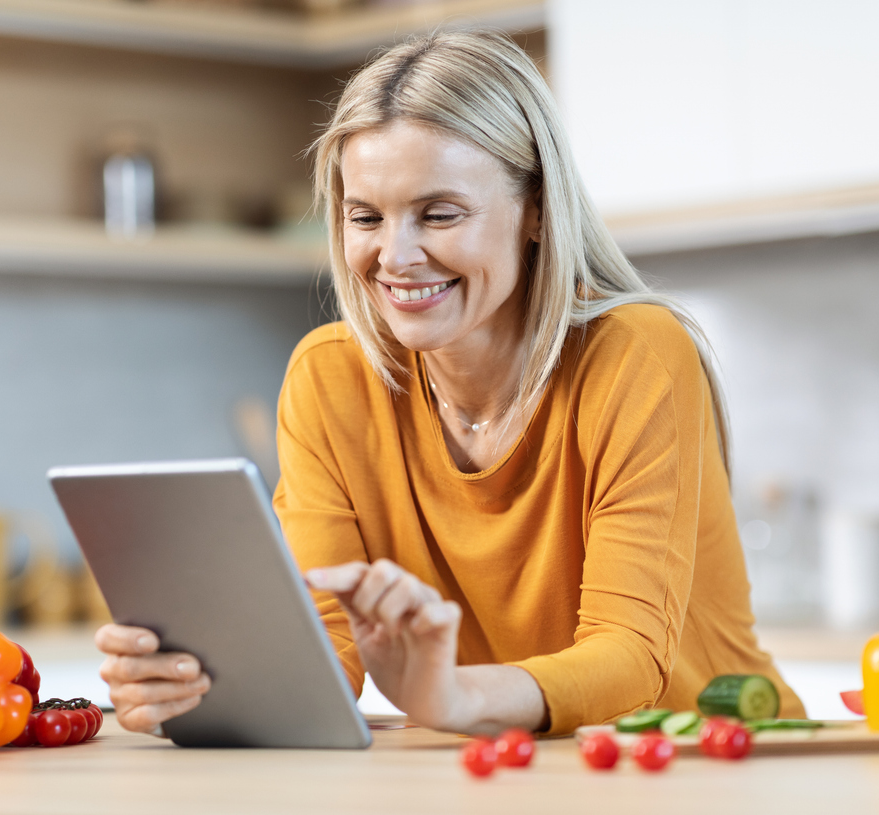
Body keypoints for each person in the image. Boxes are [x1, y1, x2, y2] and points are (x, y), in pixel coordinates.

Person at [95, 29, 804, 737]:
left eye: (439, 214)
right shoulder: (330, 378)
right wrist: (196, 685)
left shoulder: (637, 356)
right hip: (508, 766)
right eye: (365, 216)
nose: (396, 256)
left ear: (535, 211)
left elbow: (629, 658)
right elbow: (326, 650)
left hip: (708, 759)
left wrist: (458, 699)